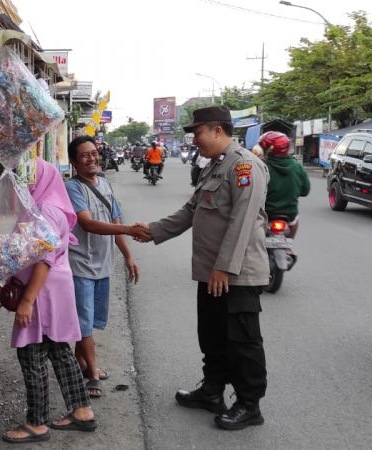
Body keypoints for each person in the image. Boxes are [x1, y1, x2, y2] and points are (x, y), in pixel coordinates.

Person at [132, 105, 270, 431]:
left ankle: (250, 405)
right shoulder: (214, 167)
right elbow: (190, 211)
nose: (194, 139)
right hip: (211, 273)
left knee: (242, 341)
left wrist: (224, 268)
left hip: (236, 274)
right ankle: (212, 392)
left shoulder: (245, 167)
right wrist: (153, 230)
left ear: (217, 130)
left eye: (197, 132)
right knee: (211, 336)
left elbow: (242, 222)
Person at [4, 157, 97, 444]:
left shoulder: (45, 209)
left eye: (31, 178)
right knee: (58, 349)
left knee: (31, 353)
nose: (27, 184)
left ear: (42, 180)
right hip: (53, 289)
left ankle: (36, 423)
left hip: (42, 292)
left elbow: (43, 259)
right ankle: (81, 411)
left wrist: (27, 301)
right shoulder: (51, 205)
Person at [65, 135, 140, 398]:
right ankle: (93, 374)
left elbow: (114, 221)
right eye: (84, 155)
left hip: (102, 265)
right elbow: (87, 223)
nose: (91, 158)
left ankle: (80, 364)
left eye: (93, 153)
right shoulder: (73, 188)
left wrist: (128, 256)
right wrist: (130, 229)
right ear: (74, 162)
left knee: (90, 320)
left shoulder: (106, 185)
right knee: (84, 323)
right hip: (80, 264)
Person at [254, 131, 310, 239]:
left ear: (268, 149)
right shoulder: (297, 167)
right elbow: (305, 191)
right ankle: (289, 247)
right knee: (294, 222)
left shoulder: (261, 166)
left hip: (265, 214)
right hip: (290, 213)